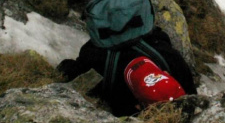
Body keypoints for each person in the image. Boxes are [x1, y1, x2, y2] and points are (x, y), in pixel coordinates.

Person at [58, 26, 196, 116]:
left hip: (133, 33)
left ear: (166, 74)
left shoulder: (171, 59)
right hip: (107, 43)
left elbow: (68, 69)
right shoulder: (174, 62)